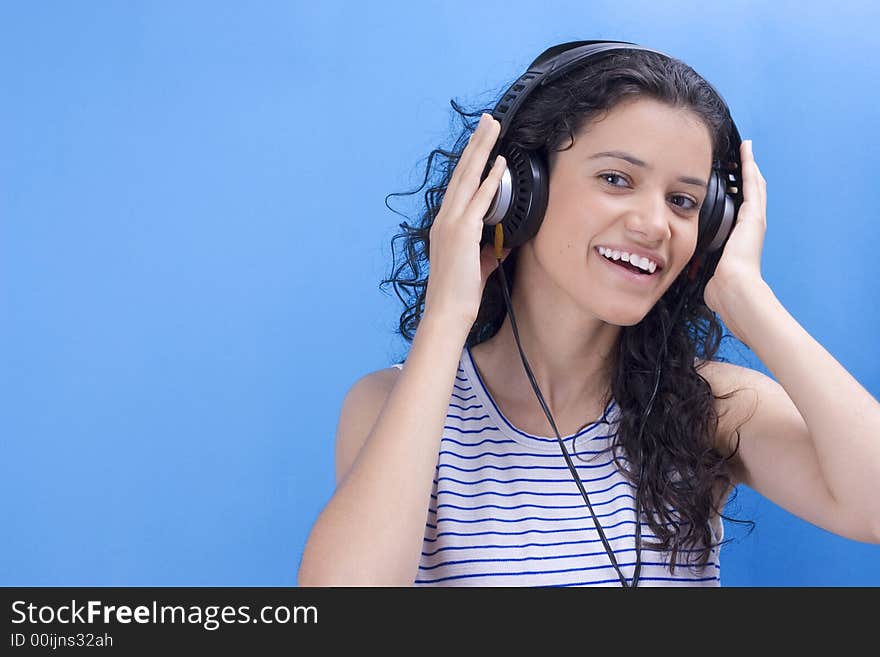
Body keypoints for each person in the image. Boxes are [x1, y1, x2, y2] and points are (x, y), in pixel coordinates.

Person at [297, 43, 880, 587]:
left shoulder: (713, 409)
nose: (655, 225)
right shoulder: (389, 404)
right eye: (616, 179)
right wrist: (446, 316)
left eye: (684, 202)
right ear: (516, 192)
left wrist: (749, 299)